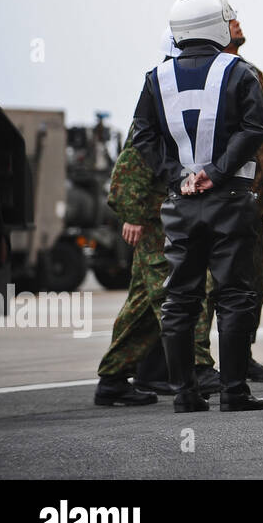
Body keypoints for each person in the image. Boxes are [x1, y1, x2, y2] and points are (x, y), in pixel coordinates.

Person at [131, 0, 263, 412]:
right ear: (216, 24)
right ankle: (234, 392)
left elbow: (142, 135)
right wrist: (217, 172)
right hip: (230, 199)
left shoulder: (156, 77)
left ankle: (185, 395)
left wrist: (180, 177)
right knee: (234, 295)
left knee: (181, 297)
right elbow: (255, 128)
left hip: (181, 203)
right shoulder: (240, 71)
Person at [187, 0, 263, 389]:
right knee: (210, 284)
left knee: (250, 283)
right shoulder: (203, 77)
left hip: (253, 197)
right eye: (231, 19)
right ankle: (197, 364)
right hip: (217, 195)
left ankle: (240, 357)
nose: (238, 22)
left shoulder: (247, 71)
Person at [93, 29, 179, 406]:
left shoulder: (170, 94)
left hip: (162, 215)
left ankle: (113, 378)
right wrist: (132, 213)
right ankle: (194, 371)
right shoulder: (161, 96)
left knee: (145, 301)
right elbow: (133, 161)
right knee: (168, 296)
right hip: (151, 217)